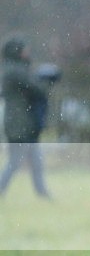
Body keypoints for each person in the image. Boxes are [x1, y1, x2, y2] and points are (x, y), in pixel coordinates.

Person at [0, 36, 54, 198]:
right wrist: (48, 79)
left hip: (21, 122)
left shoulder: (12, 69)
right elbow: (37, 89)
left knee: (34, 160)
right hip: (20, 124)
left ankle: (41, 192)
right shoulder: (15, 71)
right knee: (16, 161)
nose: (27, 52)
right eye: (24, 49)